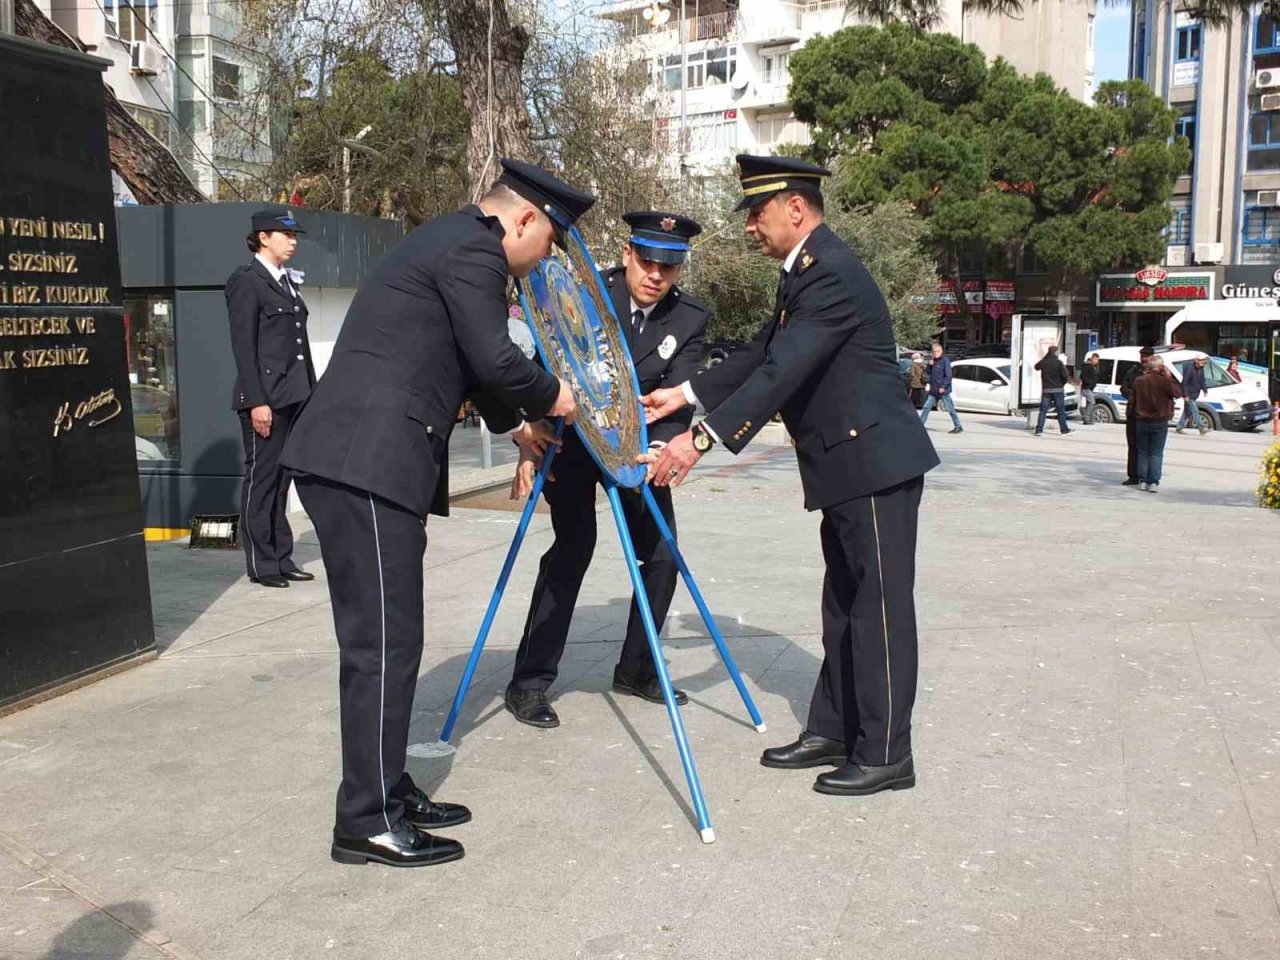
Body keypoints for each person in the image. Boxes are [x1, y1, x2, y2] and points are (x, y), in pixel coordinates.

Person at [281, 160, 586, 868]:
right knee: (383, 646)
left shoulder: (455, 242)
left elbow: (471, 365)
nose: (544, 262)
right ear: (525, 219)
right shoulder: (475, 248)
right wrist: (558, 397)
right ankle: (366, 820)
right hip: (364, 463)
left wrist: (519, 426)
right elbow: (497, 357)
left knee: (395, 640)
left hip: (371, 463)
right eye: (549, 245)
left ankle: (387, 787)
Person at [641, 154, 940, 797]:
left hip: (875, 464)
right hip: (846, 464)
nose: (750, 226)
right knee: (843, 606)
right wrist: (685, 394)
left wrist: (700, 440)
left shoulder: (830, 273)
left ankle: (887, 752)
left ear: (795, 208)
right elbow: (762, 351)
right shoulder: (804, 272)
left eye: (757, 212)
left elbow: (783, 372)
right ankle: (835, 728)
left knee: (878, 609)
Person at [503, 211, 709, 728]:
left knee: (662, 557)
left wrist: (660, 448)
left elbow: (678, 400)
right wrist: (527, 439)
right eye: (647, 261)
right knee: (574, 548)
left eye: (669, 267)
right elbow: (538, 366)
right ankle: (529, 682)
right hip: (572, 443)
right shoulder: (585, 295)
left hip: (637, 451)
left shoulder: (689, 318)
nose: (656, 275)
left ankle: (637, 670)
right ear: (627, 254)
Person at [226, 208, 317, 589]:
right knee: (262, 481)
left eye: (295, 236)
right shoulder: (247, 281)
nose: (293, 242)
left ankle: (281, 556)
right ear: (263, 237)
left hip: (294, 396)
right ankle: (262, 564)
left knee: (282, 482)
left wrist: (312, 394)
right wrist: (256, 401)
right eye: (286, 235)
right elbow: (243, 347)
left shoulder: (286, 281)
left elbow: (299, 347)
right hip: (265, 399)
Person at [1132, 354, 1181, 492]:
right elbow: (1178, 393)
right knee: (1156, 453)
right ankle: (1153, 482)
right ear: (1161, 367)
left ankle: (1142, 481)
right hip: (1159, 421)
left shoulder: (1139, 380)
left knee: (1142, 452)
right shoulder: (1165, 382)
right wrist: (1169, 377)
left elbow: (1132, 400)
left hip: (1141, 420)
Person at [1120, 346, 1155, 485]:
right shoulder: (1133, 372)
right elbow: (1123, 388)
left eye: (1147, 356)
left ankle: (1148, 476)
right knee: (1133, 445)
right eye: (1142, 356)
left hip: (1151, 416)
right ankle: (1133, 475)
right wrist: (1135, 395)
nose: (1144, 359)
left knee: (1149, 447)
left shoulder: (1157, 373)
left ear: (1152, 357)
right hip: (1133, 414)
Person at [919, 342, 963, 434]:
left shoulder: (945, 360)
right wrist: (929, 365)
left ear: (941, 351)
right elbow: (928, 372)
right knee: (926, 407)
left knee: (950, 408)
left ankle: (958, 426)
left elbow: (948, 376)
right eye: (934, 352)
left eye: (938, 351)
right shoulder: (933, 361)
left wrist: (943, 387)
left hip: (943, 390)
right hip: (933, 389)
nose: (936, 353)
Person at [1033, 344, 1072, 436]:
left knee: (1043, 410)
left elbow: (1036, 367)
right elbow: (1065, 376)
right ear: (1055, 353)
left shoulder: (1044, 362)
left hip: (1046, 390)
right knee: (1060, 410)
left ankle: (1039, 430)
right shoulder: (1059, 363)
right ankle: (1064, 430)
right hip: (1058, 390)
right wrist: (1062, 384)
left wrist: (1044, 357)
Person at [1176, 355, 1210, 435]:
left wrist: (1205, 390)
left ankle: (1179, 427)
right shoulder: (1190, 368)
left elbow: (1202, 380)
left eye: (1204, 360)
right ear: (1196, 360)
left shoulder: (1201, 368)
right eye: (1201, 360)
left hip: (1195, 394)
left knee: (1187, 412)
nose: (1203, 362)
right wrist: (1185, 395)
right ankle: (1201, 428)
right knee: (1195, 411)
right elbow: (1184, 383)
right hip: (1189, 395)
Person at [1079, 352, 1100, 425]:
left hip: (1089, 388)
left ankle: (1088, 419)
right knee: (1092, 402)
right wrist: (1089, 383)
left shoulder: (1094, 367)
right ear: (1092, 359)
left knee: (1087, 404)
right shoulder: (1087, 366)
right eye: (1095, 359)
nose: (1096, 361)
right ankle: (1086, 417)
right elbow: (1082, 376)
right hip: (1086, 388)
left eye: (1097, 360)